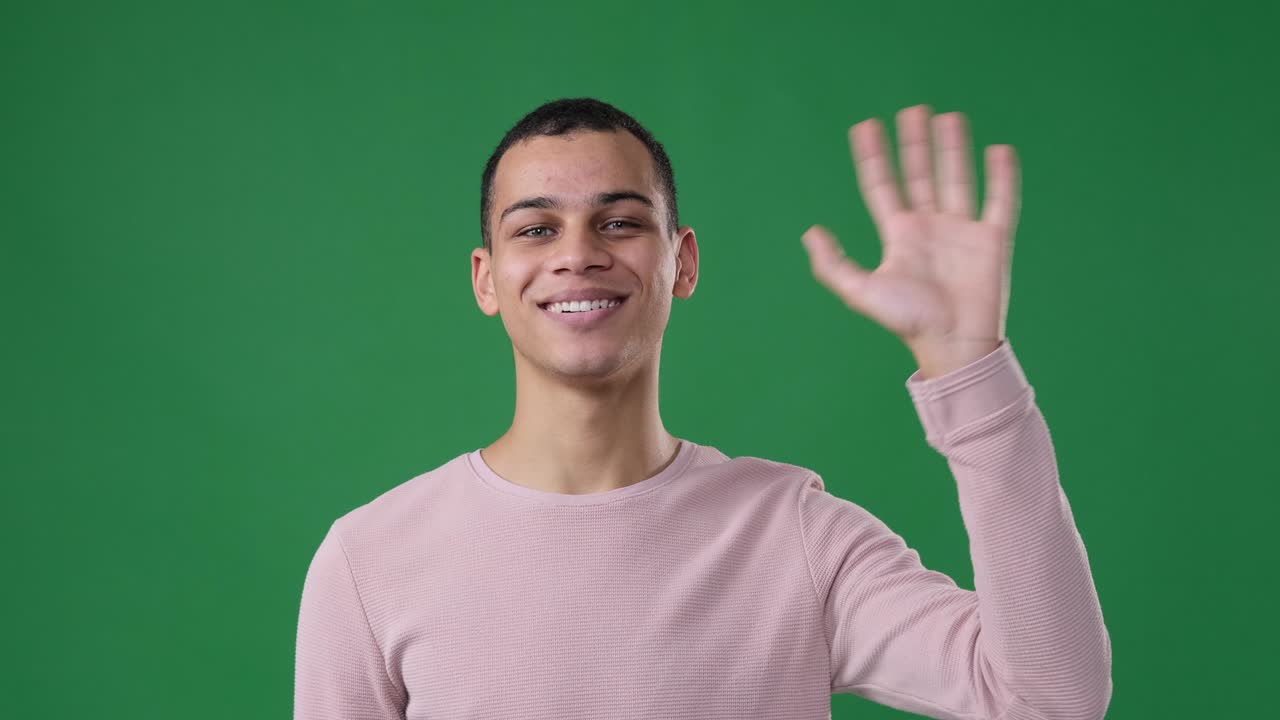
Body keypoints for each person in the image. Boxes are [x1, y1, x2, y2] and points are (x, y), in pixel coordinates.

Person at [293, 97, 1112, 720]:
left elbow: (1048, 698)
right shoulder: (370, 562)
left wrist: (969, 368)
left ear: (681, 262)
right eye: (536, 229)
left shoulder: (793, 532)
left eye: (619, 222)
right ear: (485, 278)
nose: (578, 254)